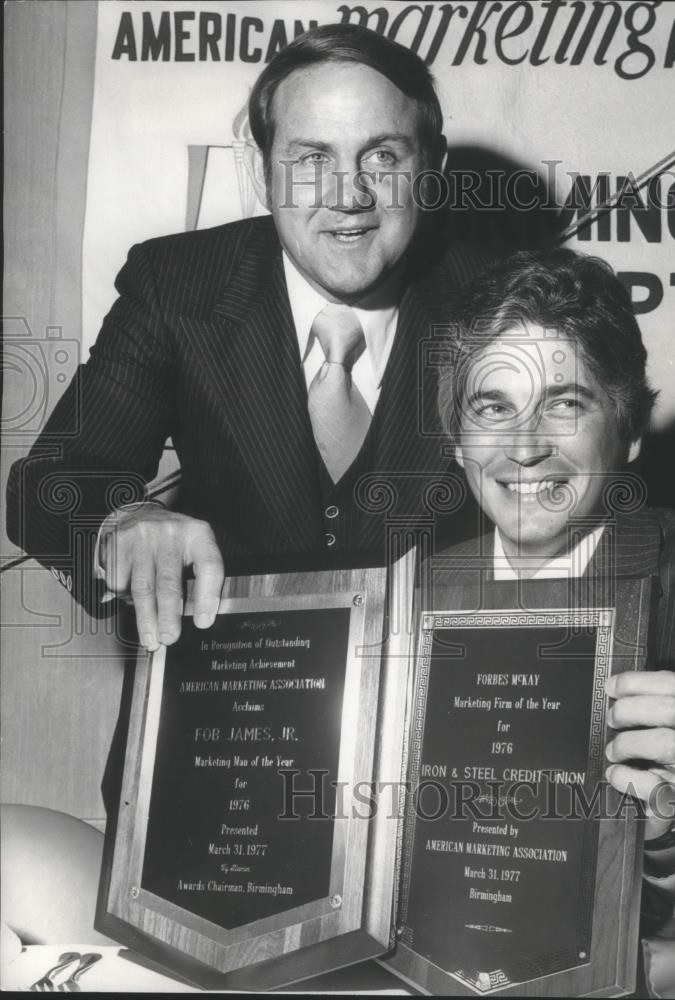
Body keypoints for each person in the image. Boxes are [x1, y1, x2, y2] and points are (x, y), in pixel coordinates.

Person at [6, 23, 488, 651]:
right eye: (313, 159)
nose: (349, 195)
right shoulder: (175, 286)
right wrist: (120, 521)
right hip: (222, 696)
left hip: (432, 703)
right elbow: (45, 485)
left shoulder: (495, 298)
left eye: (382, 156)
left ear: (431, 170)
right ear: (262, 175)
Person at [433, 248, 675, 957]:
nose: (524, 447)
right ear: (456, 439)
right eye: (492, 407)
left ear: (628, 429)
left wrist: (672, 829)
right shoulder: (411, 593)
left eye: (564, 404)